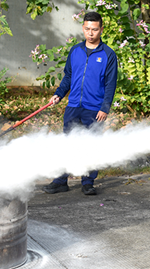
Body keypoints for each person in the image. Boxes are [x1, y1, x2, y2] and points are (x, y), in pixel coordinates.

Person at [43, 11, 118, 195]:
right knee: (68, 144)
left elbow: (110, 84)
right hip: (73, 106)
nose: (90, 33)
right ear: (83, 28)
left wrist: (105, 108)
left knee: (91, 146)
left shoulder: (108, 55)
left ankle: (87, 182)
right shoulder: (75, 51)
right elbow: (68, 76)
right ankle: (61, 181)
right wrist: (59, 94)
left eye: (94, 29)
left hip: (94, 109)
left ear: (101, 29)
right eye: (87, 29)